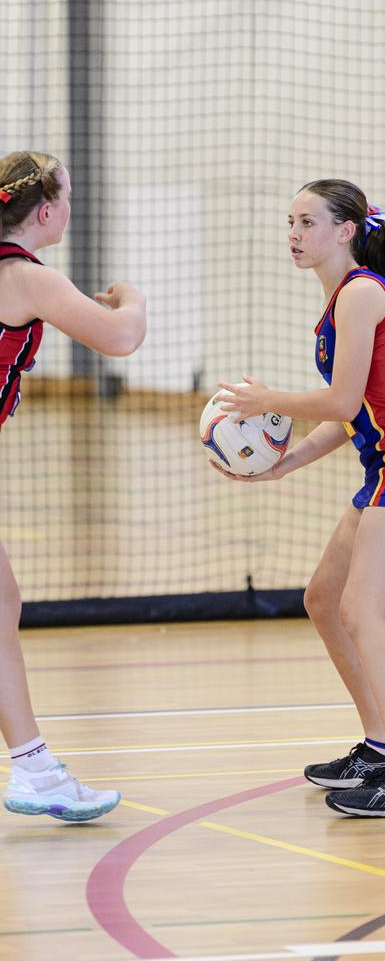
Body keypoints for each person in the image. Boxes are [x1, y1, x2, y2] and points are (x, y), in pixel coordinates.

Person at [216, 179, 385, 817]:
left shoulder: (360, 294)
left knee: (362, 610)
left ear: (345, 230)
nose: (294, 235)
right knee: (324, 599)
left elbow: (342, 401)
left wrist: (264, 402)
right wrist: (284, 463)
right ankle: (380, 747)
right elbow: (351, 416)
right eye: (290, 222)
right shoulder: (337, 302)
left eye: (308, 222)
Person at [0, 150, 146, 821]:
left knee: (3, 603)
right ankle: (34, 768)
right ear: (48, 211)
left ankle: (34, 765)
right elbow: (120, 338)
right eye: (70, 196)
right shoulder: (28, 277)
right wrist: (130, 297)